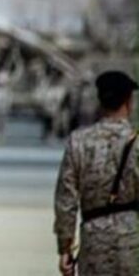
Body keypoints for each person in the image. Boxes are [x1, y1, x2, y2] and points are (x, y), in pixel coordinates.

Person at [54, 70, 138, 275]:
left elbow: (66, 201)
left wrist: (65, 247)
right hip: (132, 243)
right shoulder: (136, 143)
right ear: (129, 101)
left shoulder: (79, 141)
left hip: (93, 242)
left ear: (100, 102)